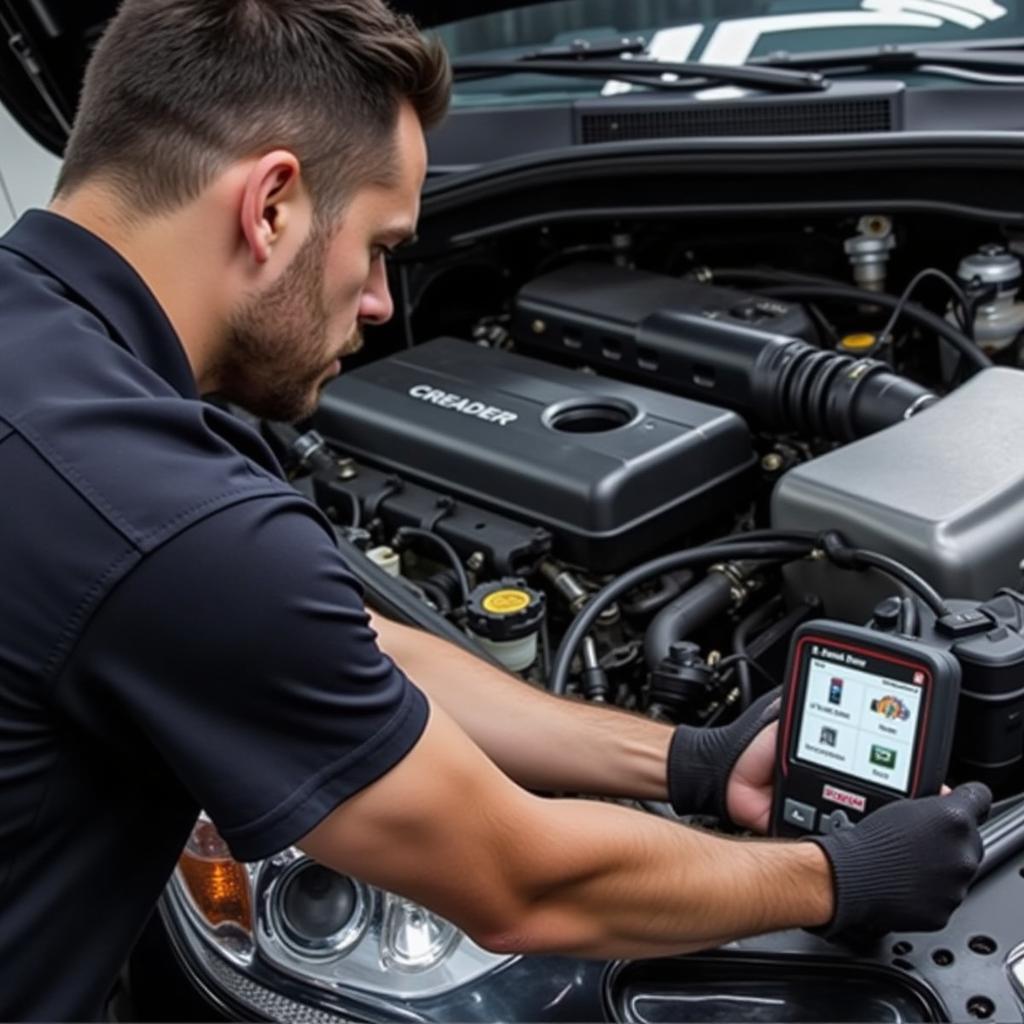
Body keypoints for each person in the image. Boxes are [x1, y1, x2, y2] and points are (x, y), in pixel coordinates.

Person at [0, 1, 989, 1019]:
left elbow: (366, 647)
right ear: (272, 206)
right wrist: (839, 875)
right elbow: (518, 884)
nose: (383, 301)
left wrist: (687, 761)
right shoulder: (158, 512)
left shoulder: (46, 353)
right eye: (380, 247)